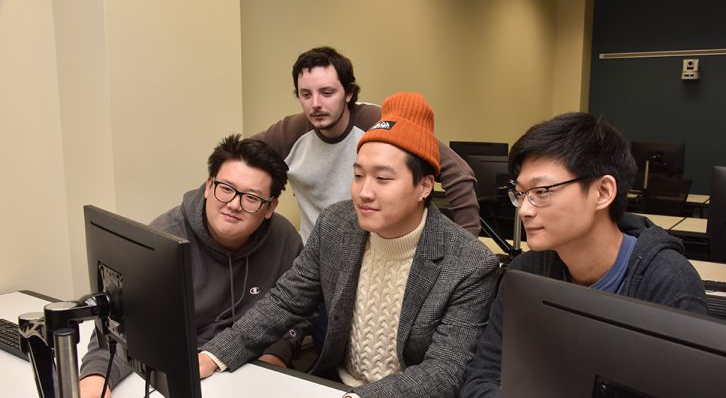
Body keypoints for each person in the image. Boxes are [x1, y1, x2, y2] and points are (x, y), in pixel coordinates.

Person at [199, 92, 499, 397]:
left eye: (382, 179)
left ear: (423, 186)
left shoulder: (470, 264)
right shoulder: (336, 225)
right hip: (333, 386)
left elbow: (444, 370)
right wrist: (215, 355)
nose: (364, 192)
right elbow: (286, 301)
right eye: (357, 175)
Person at [460, 112, 709, 397]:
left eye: (541, 191)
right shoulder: (526, 273)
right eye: (520, 193)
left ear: (602, 192)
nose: (525, 210)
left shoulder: (667, 284)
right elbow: (481, 380)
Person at [79, 135, 305, 397]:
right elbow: (122, 330)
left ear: (270, 207)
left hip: (249, 368)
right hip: (185, 373)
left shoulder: (285, 240)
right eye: (225, 188)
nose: (233, 204)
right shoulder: (163, 240)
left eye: (251, 198)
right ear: (209, 186)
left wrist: (275, 358)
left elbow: (298, 312)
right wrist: (95, 383)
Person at [251, 46, 480, 242]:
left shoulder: (380, 123)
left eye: (327, 92)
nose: (316, 104)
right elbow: (236, 162)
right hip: (316, 260)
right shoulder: (289, 133)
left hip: (378, 255)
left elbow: (458, 172)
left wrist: (468, 248)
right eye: (306, 94)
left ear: (349, 93)